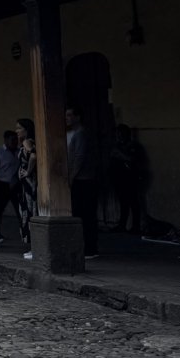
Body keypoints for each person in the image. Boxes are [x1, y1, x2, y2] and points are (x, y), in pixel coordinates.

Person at [66, 105, 98, 257]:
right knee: (81, 214)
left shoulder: (80, 134)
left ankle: (89, 248)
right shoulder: (73, 134)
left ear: (78, 117)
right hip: (81, 178)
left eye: (70, 115)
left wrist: (71, 176)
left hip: (83, 179)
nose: (67, 119)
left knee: (85, 214)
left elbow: (79, 157)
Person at [109, 123, 147, 235]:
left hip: (130, 178)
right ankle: (122, 225)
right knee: (123, 203)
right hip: (119, 178)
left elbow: (132, 160)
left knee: (133, 202)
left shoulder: (132, 146)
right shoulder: (118, 146)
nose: (119, 135)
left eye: (121, 133)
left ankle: (136, 226)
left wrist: (119, 154)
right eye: (117, 133)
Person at [0, 129, 21, 243]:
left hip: (16, 184)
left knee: (20, 208)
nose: (15, 142)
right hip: (2, 184)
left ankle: (24, 231)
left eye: (16, 140)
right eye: (12, 140)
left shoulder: (18, 151)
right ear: (6, 140)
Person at [15, 117, 37, 258]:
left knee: (29, 211)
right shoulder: (28, 142)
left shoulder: (27, 141)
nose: (16, 131)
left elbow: (33, 156)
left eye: (19, 128)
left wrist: (28, 171)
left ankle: (34, 246)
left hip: (29, 183)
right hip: (27, 183)